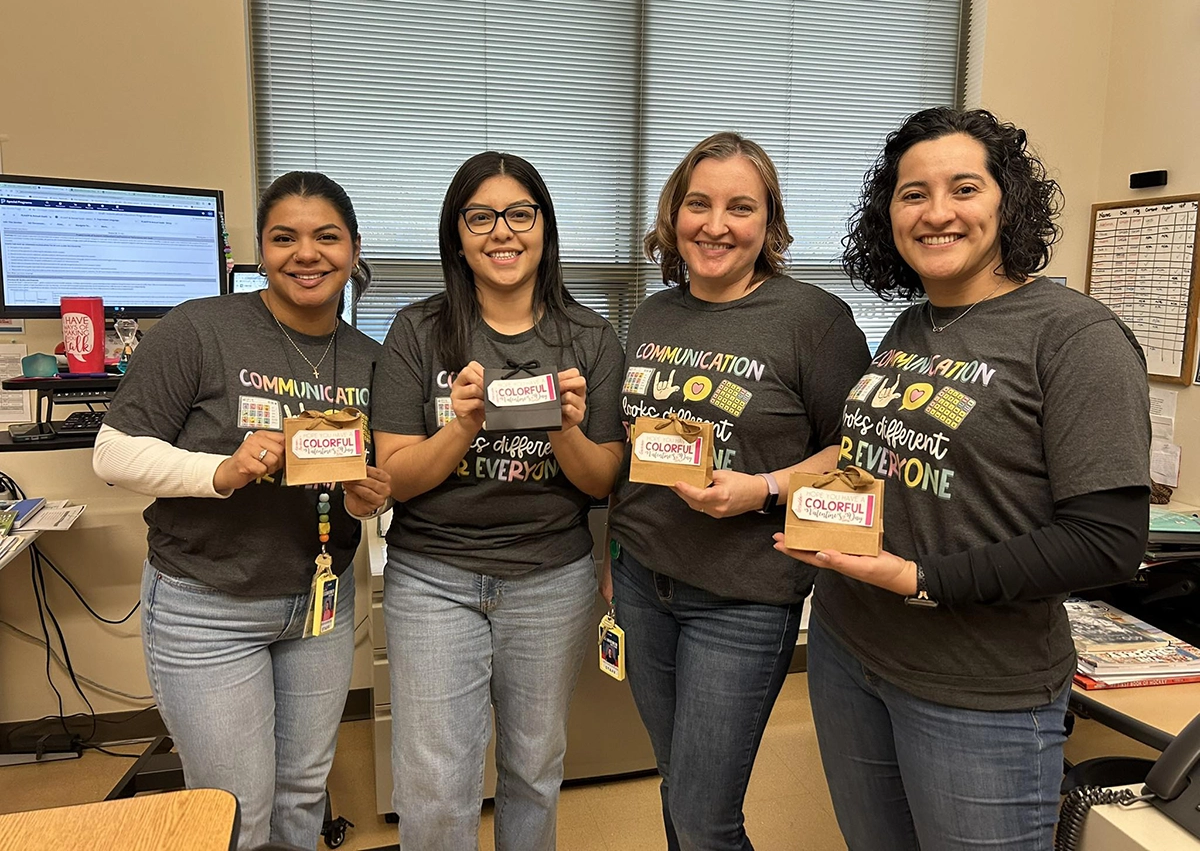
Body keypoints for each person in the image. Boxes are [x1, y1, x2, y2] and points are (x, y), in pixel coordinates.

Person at [775, 107, 1151, 851]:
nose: (937, 212)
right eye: (913, 193)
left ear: (1006, 200)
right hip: (852, 652)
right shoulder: (914, 327)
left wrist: (920, 577)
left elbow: (1106, 542)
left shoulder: (1075, 336)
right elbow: (874, 456)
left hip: (978, 690)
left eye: (964, 188)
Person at [92, 171, 392, 851]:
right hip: (207, 604)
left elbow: (370, 475)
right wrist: (223, 471)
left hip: (319, 603)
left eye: (326, 237)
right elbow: (112, 454)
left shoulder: (373, 361)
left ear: (353, 248)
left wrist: (367, 496)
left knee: (301, 797)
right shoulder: (201, 327)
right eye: (284, 238)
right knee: (235, 812)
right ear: (262, 248)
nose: (306, 254)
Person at [606, 132, 871, 851]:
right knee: (677, 784)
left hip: (743, 598)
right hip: (643, 583)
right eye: (699, 203)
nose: (715, 225)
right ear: (674, 213)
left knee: (703, 814)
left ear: (769, 223)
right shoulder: (656, 314)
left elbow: (861, 448)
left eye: (739, 207)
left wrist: (763, 488)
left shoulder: (815, 321)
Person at [371, 151, 625, 850]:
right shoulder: (417, 331)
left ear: (544, 227)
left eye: (520, 214)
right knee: (434, 786)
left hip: (551, 580)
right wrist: (461, 426)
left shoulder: (590, 336)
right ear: (457, 234)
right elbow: (394, 477)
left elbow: (602, 479)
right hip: (433, 579)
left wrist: (565, 430)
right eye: (480, 217)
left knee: (534, 769)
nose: (501, 232)